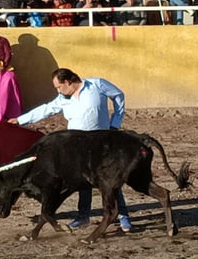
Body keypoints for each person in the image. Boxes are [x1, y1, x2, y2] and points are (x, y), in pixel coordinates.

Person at [7, 68, 132, 232]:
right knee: (82, 181)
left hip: (101, 142)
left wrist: (115, 122)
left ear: (68, 82)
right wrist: (21, 120)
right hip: (77, 145)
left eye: (59, 87)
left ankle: (123, 216)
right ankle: (83, 216)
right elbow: (46, 109)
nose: (58, 91)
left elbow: (118, 95)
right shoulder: (62, 98)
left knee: (110, 179)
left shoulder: (97, 85)